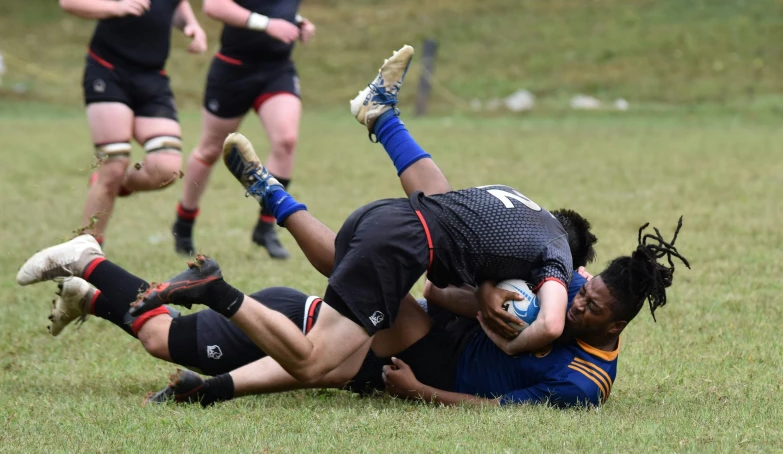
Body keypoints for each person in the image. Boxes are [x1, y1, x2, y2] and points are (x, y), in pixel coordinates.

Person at [127, 45, 598, 390]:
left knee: (347, 258)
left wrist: (484, 296)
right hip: (400, 250)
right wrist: (493, 306)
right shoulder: (542, 258)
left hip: (383, 223)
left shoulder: (514, 212)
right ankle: (218, 289)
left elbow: (436, 276)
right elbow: (450, 293)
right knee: (316, 364)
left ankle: (286, 180)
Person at [14, 218, 687, 408]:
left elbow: (501, 412)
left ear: (613, 325)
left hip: (342, 334)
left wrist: (422, 392)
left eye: (587, 304)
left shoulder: (581, 385)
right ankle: (91, 261)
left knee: (318, 362)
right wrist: (482, 295)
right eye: (579, 288)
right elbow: (464, 264)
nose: (571, 300)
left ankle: (92, 293)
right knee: (162, 339)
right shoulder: (551, 288)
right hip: (304, 320)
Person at [58, 0, 207, 246]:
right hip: (108, 70)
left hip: (152, 76)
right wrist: (116, 5)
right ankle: (85, 262)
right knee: (113, 163)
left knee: (166, 169)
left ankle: (115, 184)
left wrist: (190, 25)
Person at [172, 0, 314, 259]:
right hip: (234, 70)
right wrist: (266, 24)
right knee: (209, 149)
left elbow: (276, 3)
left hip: (277, 69)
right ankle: (184, 220)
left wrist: (298, 22)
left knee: (286, 141)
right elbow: (214, 4)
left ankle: (266, 227)